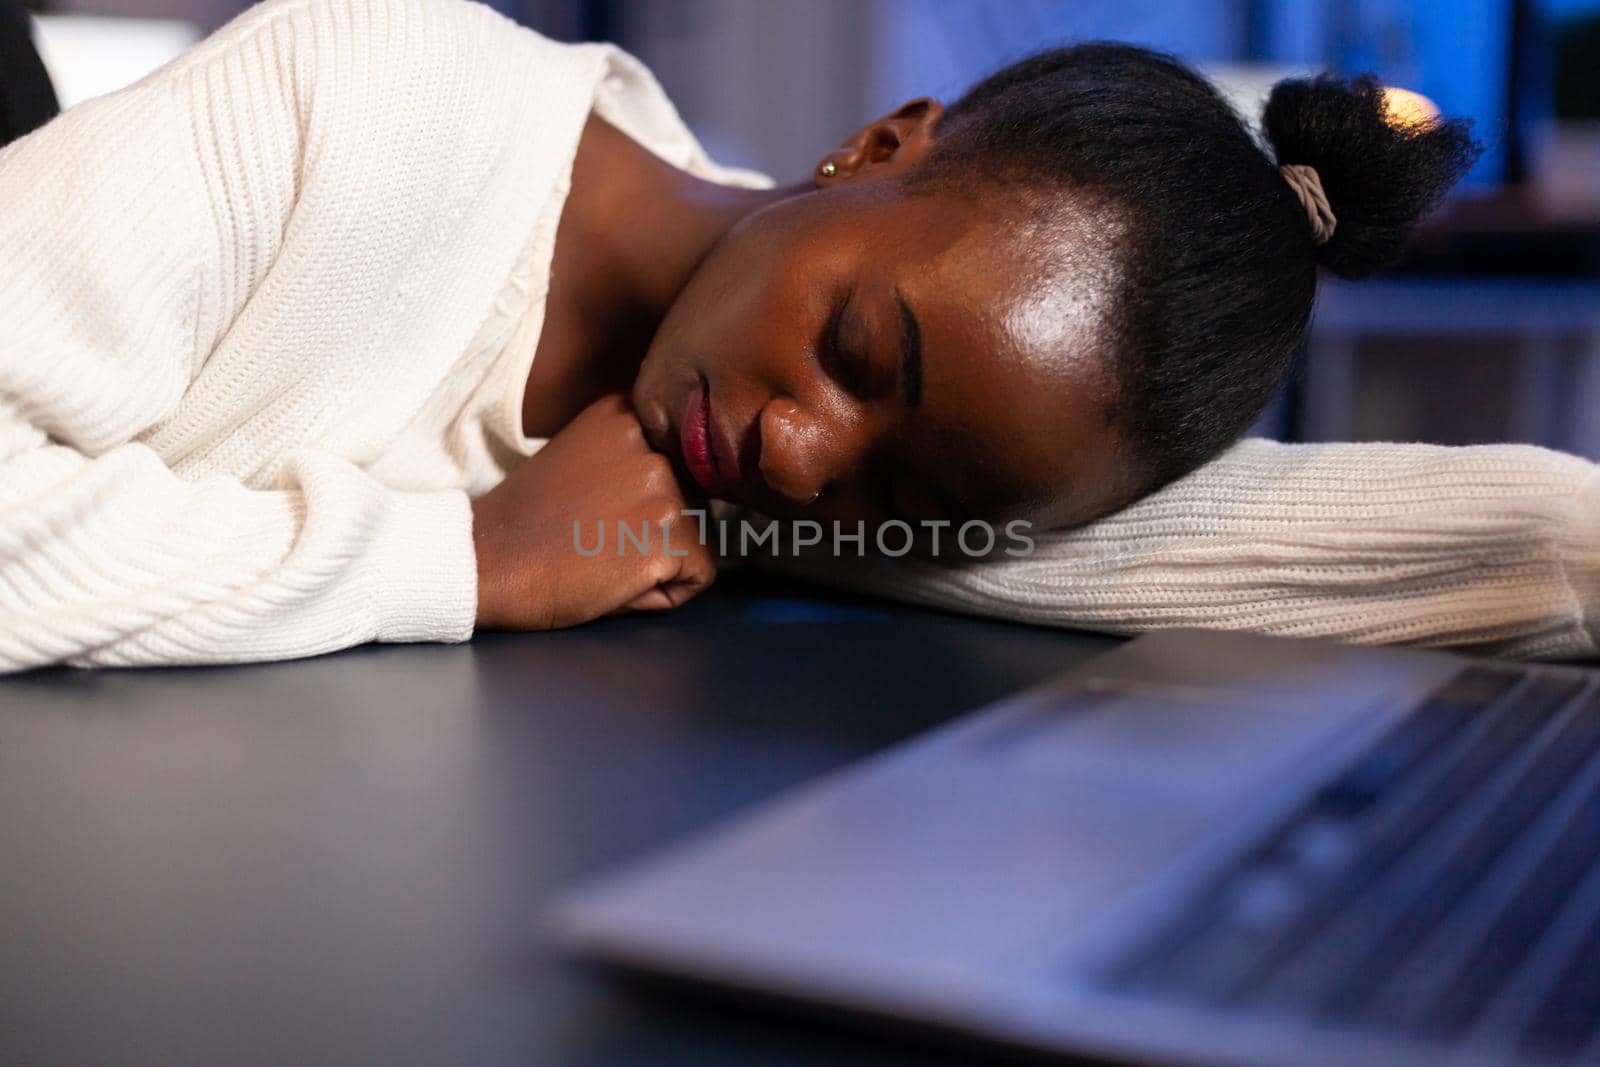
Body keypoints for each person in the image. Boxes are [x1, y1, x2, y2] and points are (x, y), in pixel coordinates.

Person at [1, 0, 1594, 672]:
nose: (799, 454)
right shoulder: (353, 103)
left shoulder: (849, 464)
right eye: (858, 351)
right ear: (882, 143)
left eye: (913, 489)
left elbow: (1256, 532)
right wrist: (471, 563)